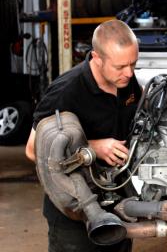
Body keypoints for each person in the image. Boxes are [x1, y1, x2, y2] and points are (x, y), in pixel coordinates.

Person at [25, 19, 142, 252]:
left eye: (133, 64)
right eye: (120, 67)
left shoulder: (126, 83)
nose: (128, 73)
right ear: (96, 58)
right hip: (74, 210)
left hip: (116, 202)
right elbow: (32, 150)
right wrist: (94, 148)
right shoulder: (66, 91)